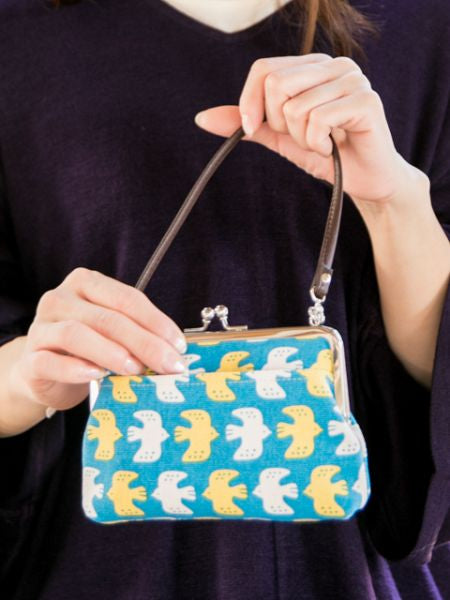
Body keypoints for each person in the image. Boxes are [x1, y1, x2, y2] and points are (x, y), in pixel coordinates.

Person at [0, 0, 449, 598]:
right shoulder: (18, 36)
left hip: (351, 571)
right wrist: (26, 376)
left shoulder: (429, 28)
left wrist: (395, 202)